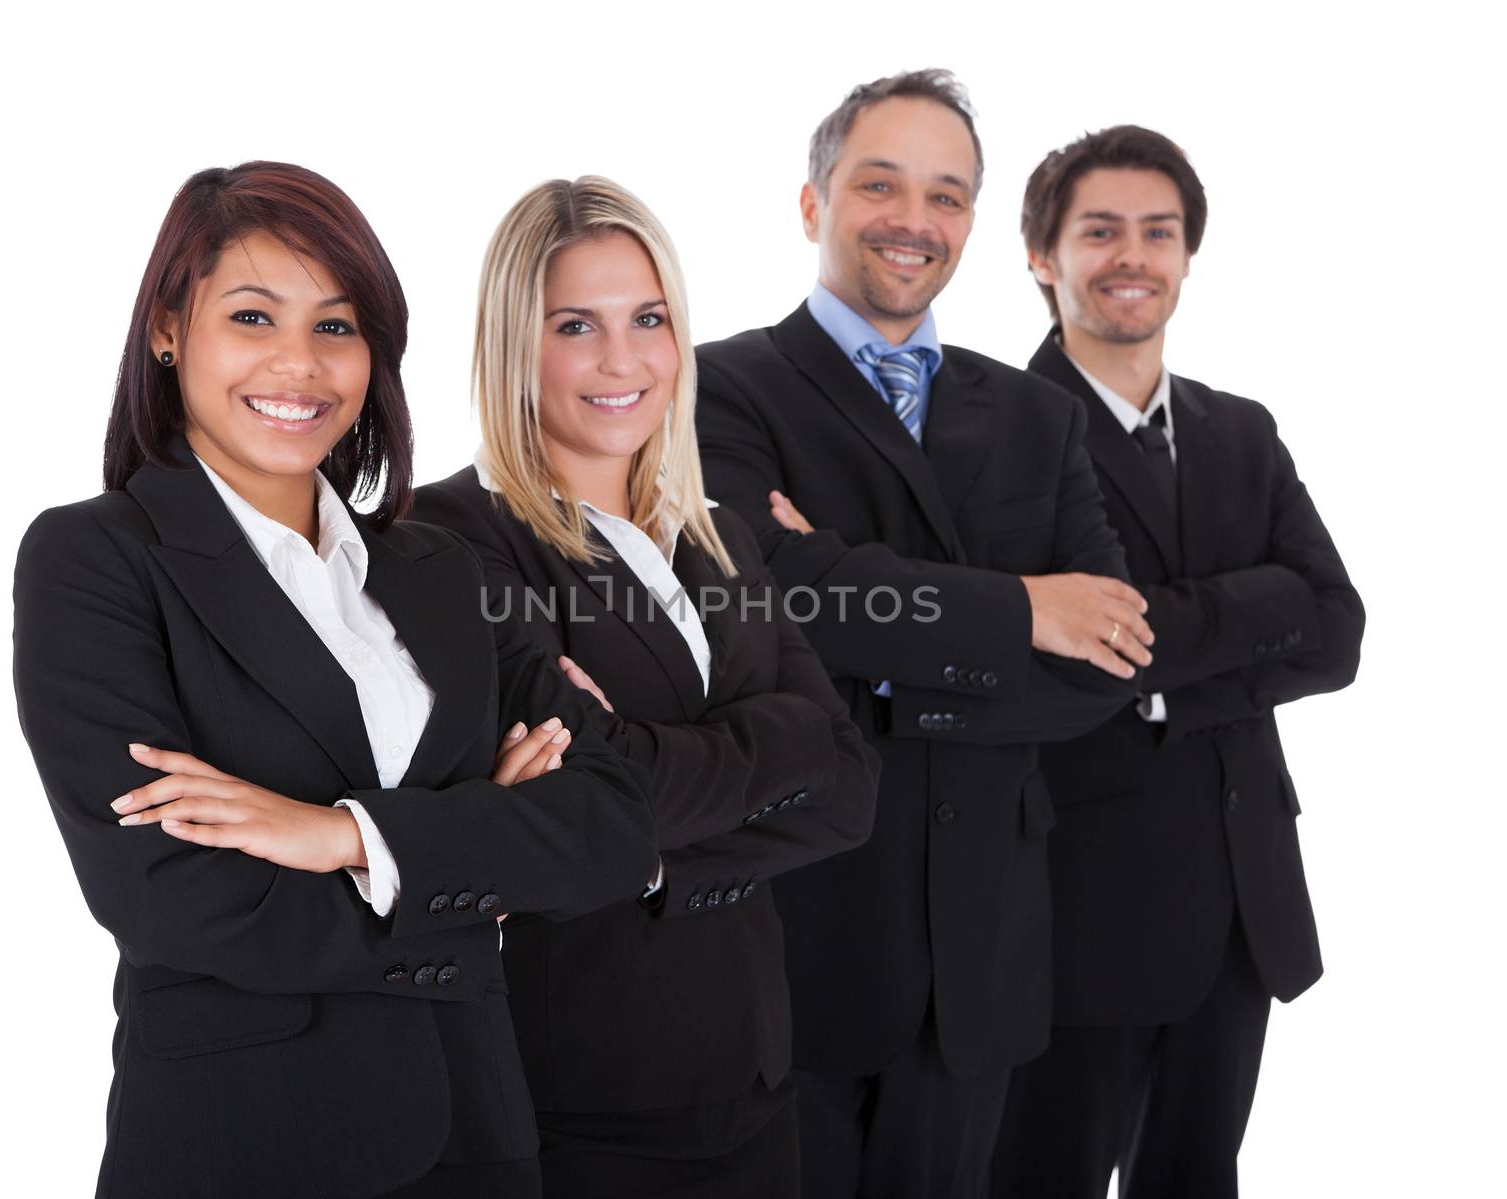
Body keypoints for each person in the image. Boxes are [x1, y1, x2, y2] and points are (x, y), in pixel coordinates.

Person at [12, 161, 658, 1199]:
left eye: (338, 326)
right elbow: (168, 893)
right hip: (245, 1142)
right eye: (255, 316)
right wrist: (480, 856)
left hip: (477, 1128)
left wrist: (347, 836)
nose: (299, 365)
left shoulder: (435, 565)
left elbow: (616, 817)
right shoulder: (97, 558)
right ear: (169, 327)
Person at [694, 70, 1146, 1198]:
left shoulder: (1039, 413)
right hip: (799, 932)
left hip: (981, 951)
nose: (913, 219)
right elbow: (766, 601)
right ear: (812, 204)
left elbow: (1112, 656)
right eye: (878, 184)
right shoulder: (715, 391)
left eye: (946, 196)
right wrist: (1021, 606)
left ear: (973, 226)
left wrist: (880, 662)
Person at [411, 176, 880, 1197]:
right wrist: (775, 741)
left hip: (751, 1068)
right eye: (576, 324)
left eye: (649, 319)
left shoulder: (715, 532)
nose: (623, 360)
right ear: (511, 343)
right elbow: (596, 790)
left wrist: (650, 841)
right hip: (575, 1087)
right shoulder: (446, 541)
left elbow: (847, 783)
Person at [987, 125, 1365, 1199]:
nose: (1132, 256)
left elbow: (1335, 629)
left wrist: (1154, 663)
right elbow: (1057, 669)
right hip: (1077, 910)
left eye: (1158, 232)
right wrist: (1251, 615)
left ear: (1188, 255)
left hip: (1243, 901)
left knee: (1198, 1177)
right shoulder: (990, 435)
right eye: (1098, 230)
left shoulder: (1239, 430)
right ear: (1041, 254)